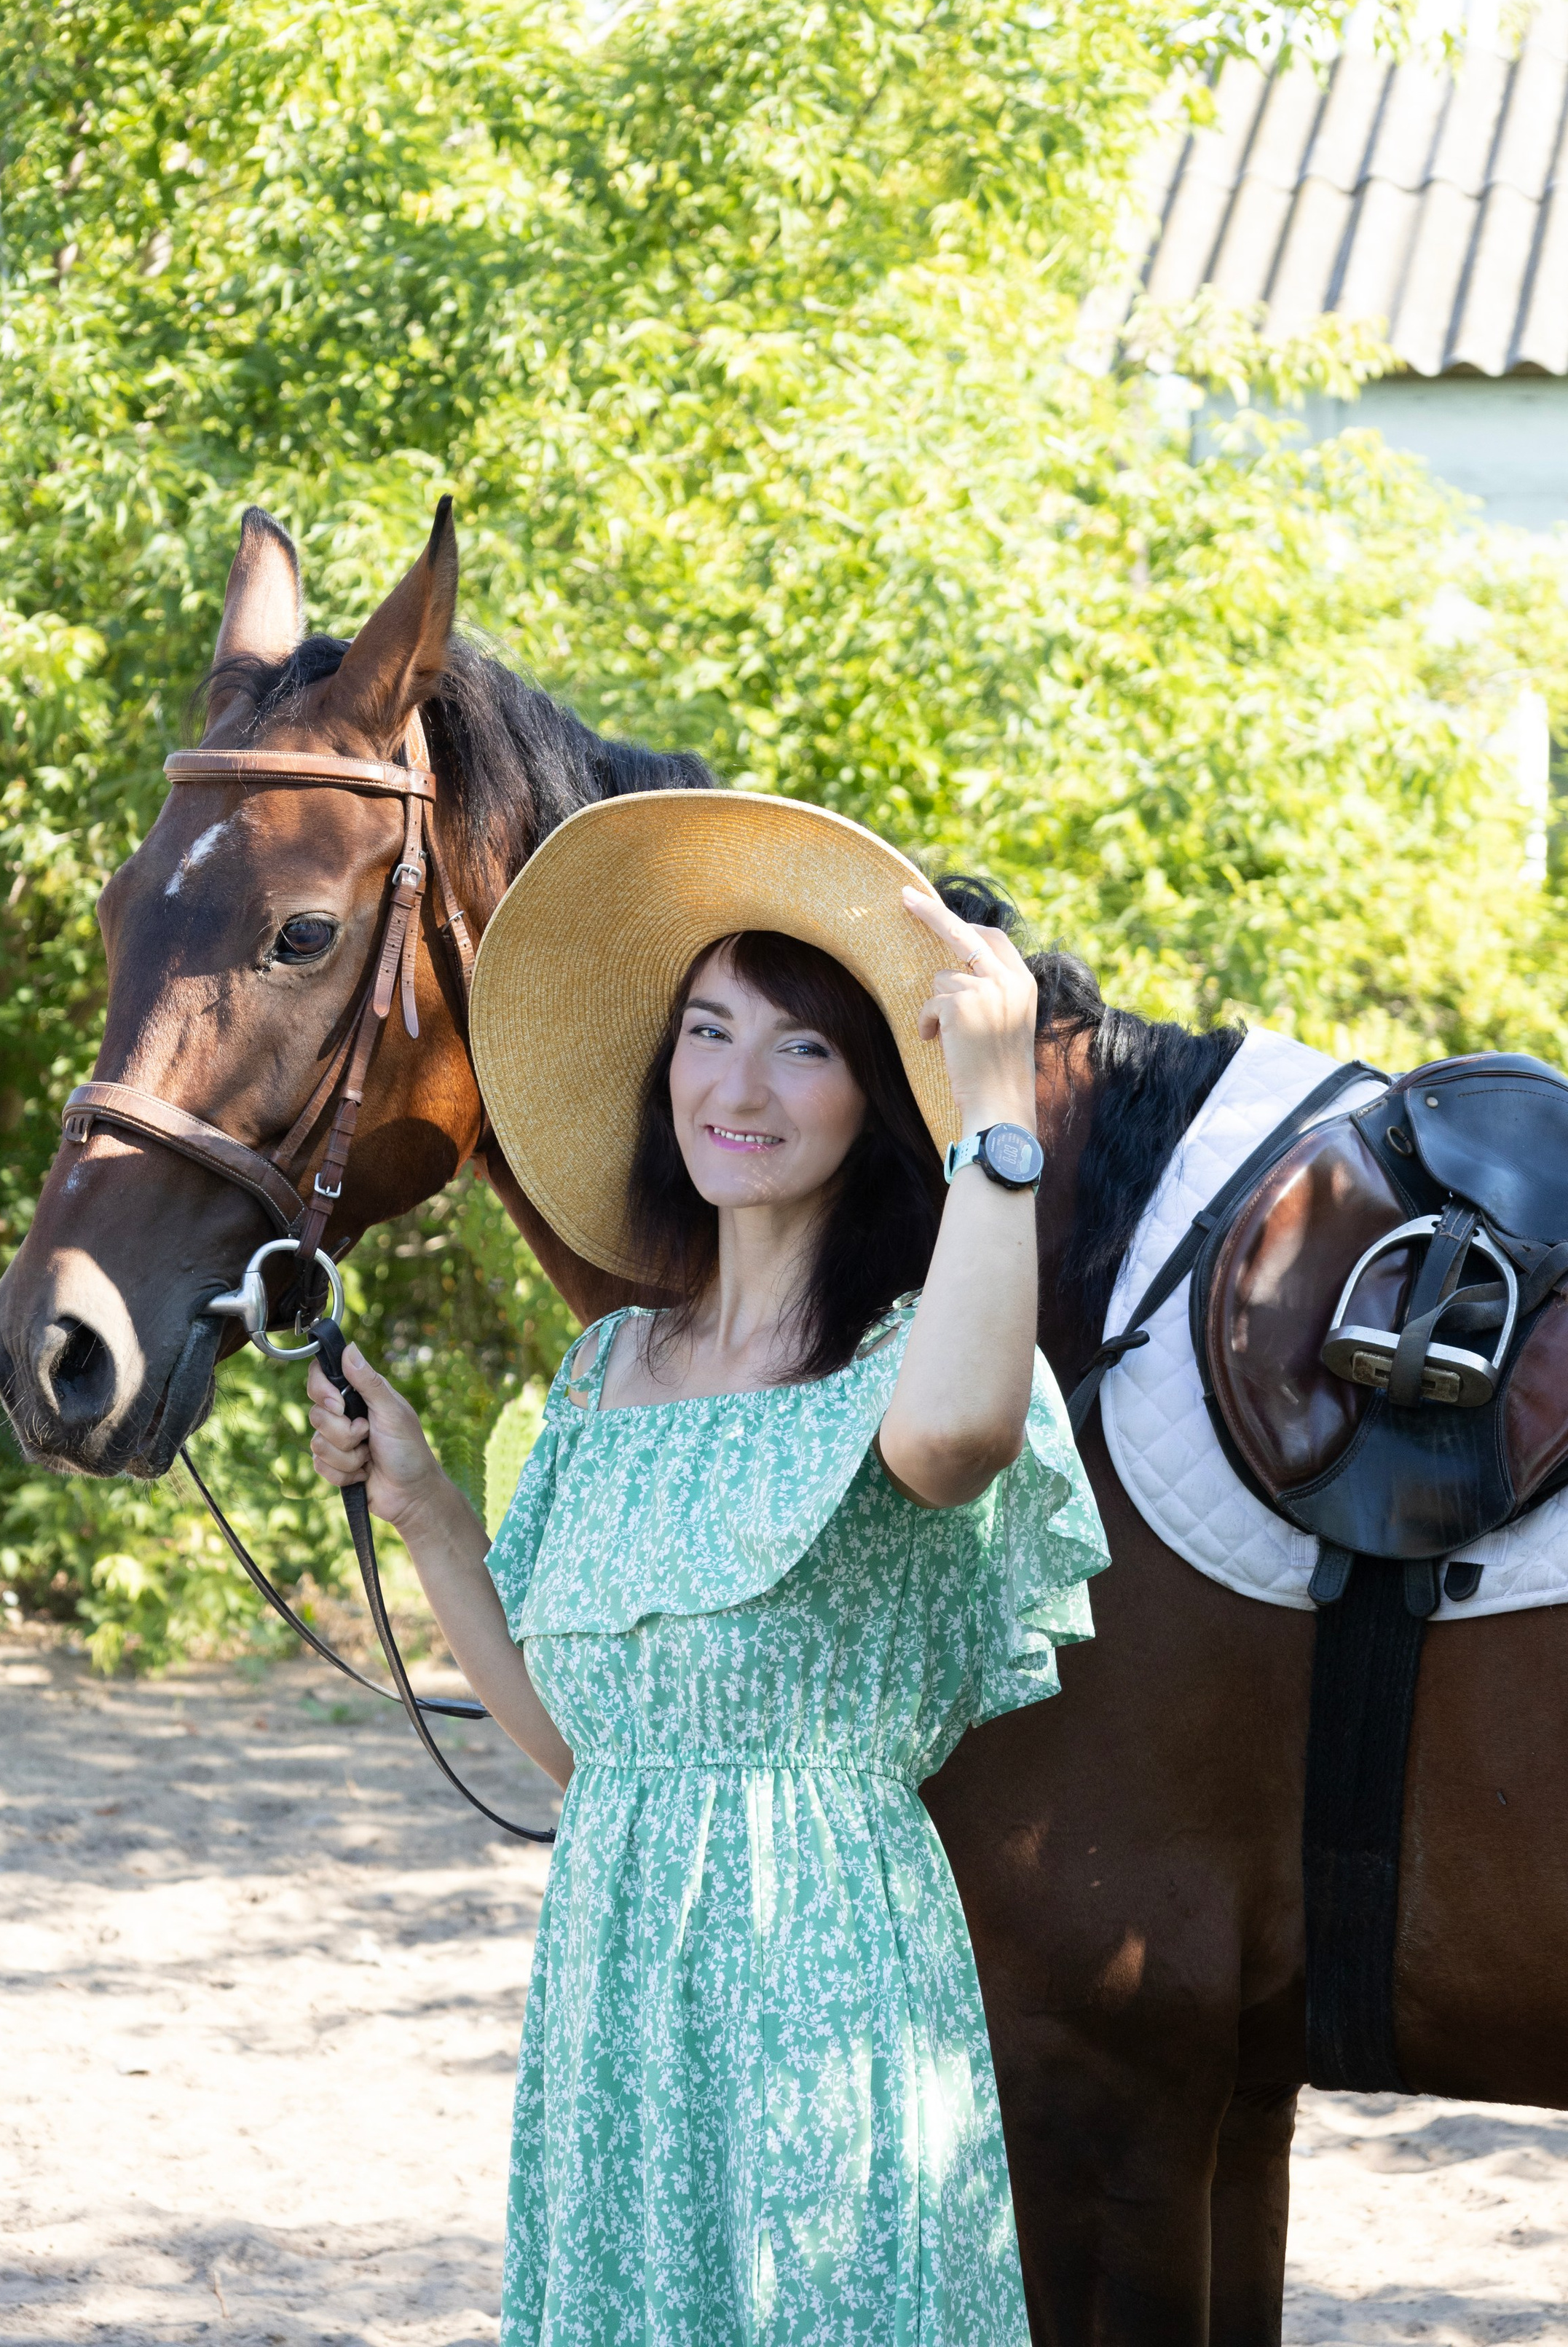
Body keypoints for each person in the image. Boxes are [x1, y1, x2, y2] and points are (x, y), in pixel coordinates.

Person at [307, 787, 1109, 2346]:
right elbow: (574, 1751)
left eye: (801, 1047)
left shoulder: (905, 1355)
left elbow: (955, 1439)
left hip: (823, 1991)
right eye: (704, 1030)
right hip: (618, 2006)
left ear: (875, 1101)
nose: (735, 1085)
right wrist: (418, 1506)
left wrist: (995, 1108)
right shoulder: (608, 1365)